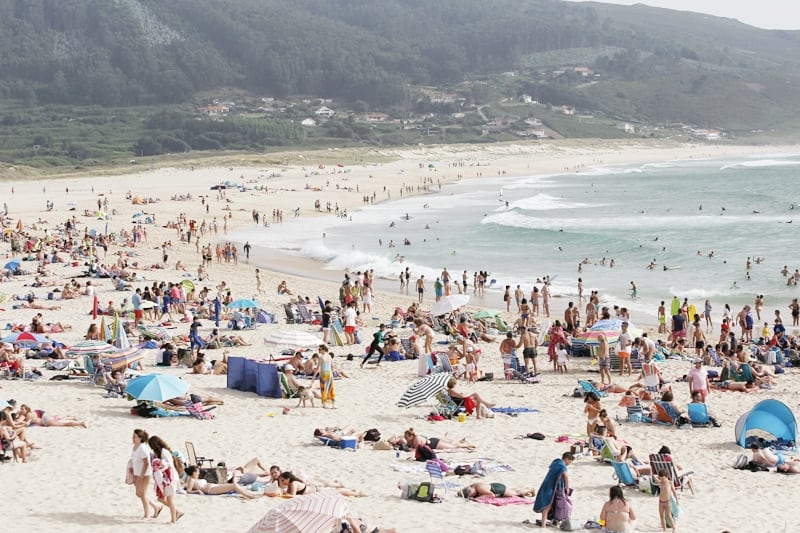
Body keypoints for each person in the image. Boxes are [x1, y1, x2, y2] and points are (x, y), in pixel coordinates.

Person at [533, 452, 574, 528]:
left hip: (547, 484)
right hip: (551, 487)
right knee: (548, 505)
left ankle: (547, 522)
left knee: (550, 505)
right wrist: (567, 488)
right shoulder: (562, 466)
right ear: (567, 459)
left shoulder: (556, 462)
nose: (569, 464)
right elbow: (566, 476)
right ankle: (543, 525)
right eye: (570, 461)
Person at [148, 436, 183, 523]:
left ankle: (173, 520)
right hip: (167, 477)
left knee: (169, 500)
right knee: (161, 499)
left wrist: (160, 464)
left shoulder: (164, 452)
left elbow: (168, 464)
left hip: (170, 477)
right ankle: (177, 512)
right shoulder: (162, 452)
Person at [130, 429, 161, 519]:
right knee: (139, 494)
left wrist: (141, 475)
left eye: (134, 437)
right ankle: (156, 506)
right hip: (137, 473)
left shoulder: (142, 448)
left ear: (140, 438)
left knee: (142, 494)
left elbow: (146, 463)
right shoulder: (135, 447)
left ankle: (147, 514)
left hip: (144, 474)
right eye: (133, 436)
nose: (133, 438)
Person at [185, 466, 259, 498]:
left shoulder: (195, 479)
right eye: (197, 472)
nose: (198, 473)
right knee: (234, 485)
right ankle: (250, 496)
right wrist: (198, 491)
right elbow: (188, 491)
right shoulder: (191, 480)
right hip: (211, 490)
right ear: (193, 472)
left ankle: (249, 495)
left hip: (214, 486)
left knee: (234, 486)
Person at [277, 471, 365, 497]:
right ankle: (350, 491)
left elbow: (292, 495)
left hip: (316, 490)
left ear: (288, 479)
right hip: (315, 489)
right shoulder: (291, 484)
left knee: (337, 492)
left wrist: (282, 493)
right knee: (336, 491)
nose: (282, 482)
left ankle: (357, 493)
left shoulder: (293, 484)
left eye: (282, 480)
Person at [457, 482, 535, 499]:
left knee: (517, 493)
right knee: (513, 491)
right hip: (494, 486)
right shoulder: (473, 486)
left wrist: (476, 498)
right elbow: (461, 491)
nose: (471, 495)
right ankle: (523, 487)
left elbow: (491, 495)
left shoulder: (480, 488)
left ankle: (531, 489)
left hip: (497, 489)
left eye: (471, 494)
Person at [318, 344, 335, 409]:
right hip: (329, 374)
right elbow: (332, 366)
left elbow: (318, 368)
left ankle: (324, 404)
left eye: (320, 349)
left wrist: (314, 376)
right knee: (331, 389)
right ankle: (333, 404)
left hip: (323, 374)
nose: (318, 351)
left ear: (323, 350)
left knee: (324, 389)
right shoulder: (329, 356)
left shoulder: (321, 357)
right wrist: (332, 373)